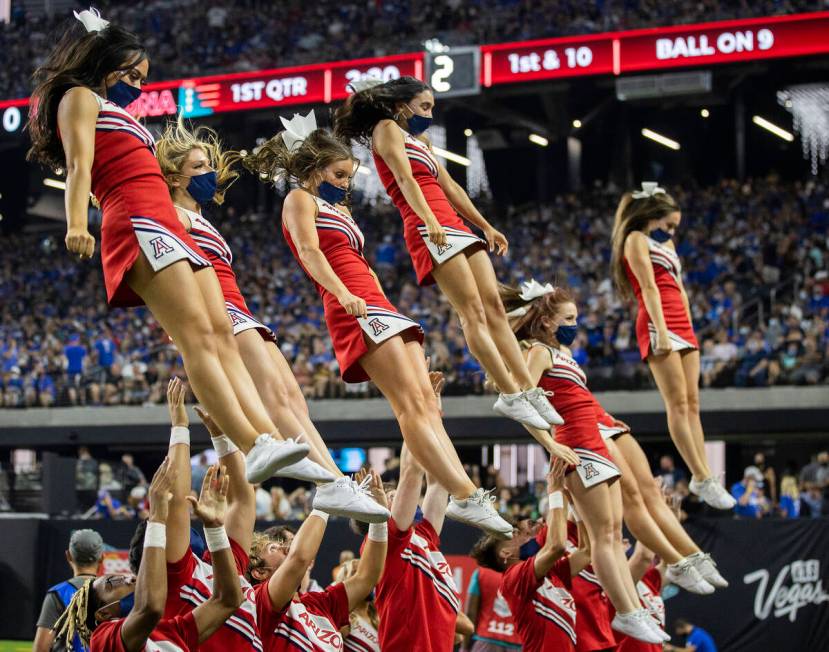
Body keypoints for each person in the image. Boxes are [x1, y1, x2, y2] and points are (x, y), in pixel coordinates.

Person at [26, 7, 307, 485]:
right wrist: (77, 223)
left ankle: (267, 437)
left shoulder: (117, 112)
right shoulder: (78, 97)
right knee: (196, 336)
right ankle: (252, 441)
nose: (137, 84)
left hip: (167, 225)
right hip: (136, 223)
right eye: (130, 73)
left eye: (142, 77)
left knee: (221, 336)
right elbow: (78, 167)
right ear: (103, 63)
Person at [243, 112, 511, 537]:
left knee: (425, 402)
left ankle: (466, 493)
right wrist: (342, 293)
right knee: (409, 405)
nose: (346, 182)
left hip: (378, 304)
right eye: (339, 173)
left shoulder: (339, 208)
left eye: (350, 175)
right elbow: (311, 253)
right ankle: (463, 492)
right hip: (354, 307)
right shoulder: (299, 200)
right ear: (314, 171)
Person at [155, 116, 384, 521]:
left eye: (209, 165)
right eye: (199, 168)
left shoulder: (201, 217)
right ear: (174, 178)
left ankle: (334, 483)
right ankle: (327, 483)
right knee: (276, 398)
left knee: (294, 399)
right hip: (218, 313)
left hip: (240, 310)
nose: (210, 173)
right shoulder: (171, 215)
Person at [333, 76, 562, 432]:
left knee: (495, 308)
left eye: (432, 108)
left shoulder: (420, 139)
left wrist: (485, 225)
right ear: (400, 106)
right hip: (428, 225)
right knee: (472, 312)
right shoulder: (386, 130)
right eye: (424, 106)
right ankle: (509, 392)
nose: (429, 114)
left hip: (453, 223)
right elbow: (407, 180)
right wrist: (427, 219)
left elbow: (450, 185)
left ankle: (529, 389)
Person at [500, 283, 671, 643]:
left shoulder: (565, 354)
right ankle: (625, 612)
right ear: (546, 322)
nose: (576, 325)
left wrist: (607, 421)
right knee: (603, 538)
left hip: (596, 445)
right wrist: (550, 444)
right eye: (570, 318)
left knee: (613, 533)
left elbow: (580, 400)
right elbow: (520, 402)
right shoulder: (539, 353)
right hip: (576, 448)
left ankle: (633, 608)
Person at [610, 182, 735, 510]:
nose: (671, 231)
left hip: (681, 322)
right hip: (656, 321)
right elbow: (650, 287)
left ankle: (702, 473)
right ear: (650, 217)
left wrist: (690, 328)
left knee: (693, 403)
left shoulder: (668, 246)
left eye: (675, 228)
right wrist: (662, 332)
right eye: (667, 226)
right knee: (677, 404)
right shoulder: (635, 239)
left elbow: (679, 288)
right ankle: (702, 476)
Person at [53, 457, 242, 652]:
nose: (129, 579)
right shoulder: (103, 640)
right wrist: (156, 519)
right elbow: (150, 608)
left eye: (124, 575)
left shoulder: (169, 630)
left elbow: (229, 600)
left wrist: (215, 528)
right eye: (112, 583)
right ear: (104, 613)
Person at [248, 467, 388, 652]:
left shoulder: (319, 603)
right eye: (273, 547)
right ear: (259, 571)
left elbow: (367, 576)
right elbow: (299, 559)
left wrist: (379, 520)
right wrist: (325, 501)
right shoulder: (260, 603)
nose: (285, 547)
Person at [474, 460, 595, 651]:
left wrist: (575, 504)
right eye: (510, 535)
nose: (518, 534)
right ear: (505, 553)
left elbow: (587, 551)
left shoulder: (547, 572)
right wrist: (555, 491)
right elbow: (556, 546)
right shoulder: (513, 578)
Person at [34, 529, 104, 652]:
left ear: (68, 555)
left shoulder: (57, 594)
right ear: (101, 558)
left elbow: (41, 648)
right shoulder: (115, 595)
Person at [616, 540, 667, 652]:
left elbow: (670, 561)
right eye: (619, 540)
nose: (626, 540)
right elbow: (644, 555)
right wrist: (645, 525)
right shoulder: (617, 583)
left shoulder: (648, 579)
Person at [464, 560, 522, 652]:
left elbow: (470, 614)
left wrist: (464, 647)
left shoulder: (482, 572)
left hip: (485, 642)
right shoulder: (529, 576)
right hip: (518, 644)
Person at [334, 559, 381, 652]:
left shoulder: (379, 619)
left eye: (370, 573)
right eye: (357, 573)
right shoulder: (344, 621)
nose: (368, 578)